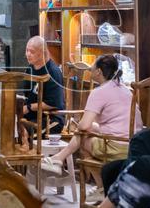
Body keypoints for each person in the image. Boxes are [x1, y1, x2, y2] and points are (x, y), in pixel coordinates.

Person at [41, 55, 140, 188]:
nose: (90, 68)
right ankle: (59, 159)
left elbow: (84, 125)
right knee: (89, 129)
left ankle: (101, 187)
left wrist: (79, 126)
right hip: (134, 143)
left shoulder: (99, 92)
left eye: (92, 66)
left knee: (82, 136)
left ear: (98, 71)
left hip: (115, 146)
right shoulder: (126, 90)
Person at [17, 36, 64, 149]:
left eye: (32, 51)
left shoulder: (53, 72)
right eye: (27, 50)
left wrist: (28, 107)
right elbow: (27, 95)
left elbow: (53, 103)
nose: (28, 54)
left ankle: (30, 162)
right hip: (32, 116)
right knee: (9, 127)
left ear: (43, 53)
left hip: (50, 119)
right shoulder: (30, 68)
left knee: (21, 131)